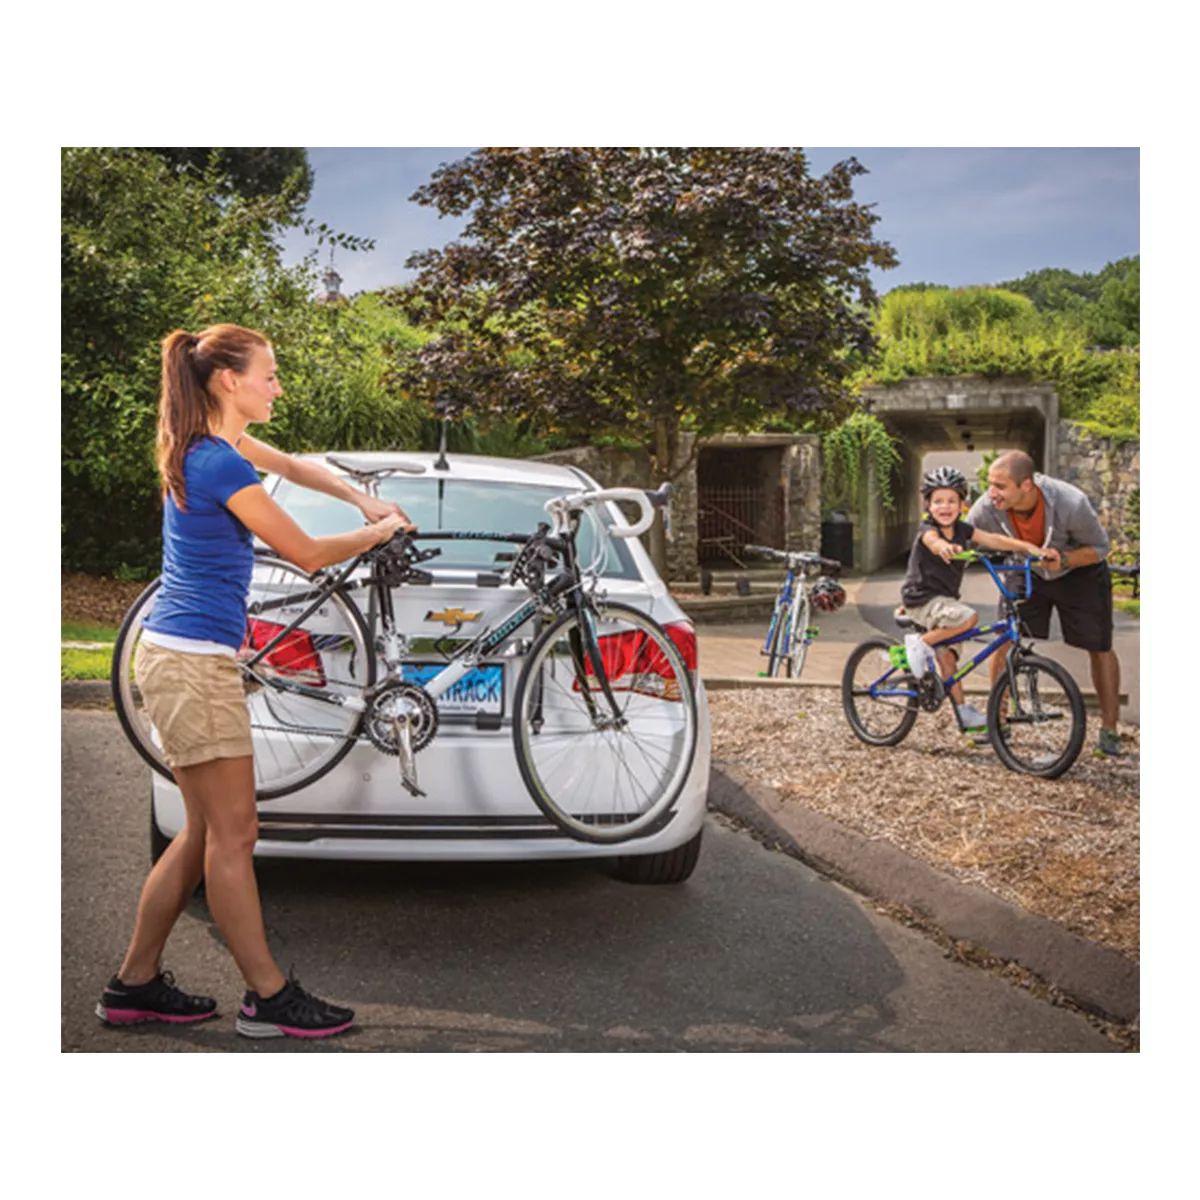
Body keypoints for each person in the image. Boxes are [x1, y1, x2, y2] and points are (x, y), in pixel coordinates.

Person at [96, 323, 413, 1039]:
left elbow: (298, 470)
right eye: (268, 374)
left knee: (206, 829)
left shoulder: (214, 444)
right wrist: (376, 534)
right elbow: (301, 552)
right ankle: (268, 998)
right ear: (228, 380)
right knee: (235, 835)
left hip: (190, 658)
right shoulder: (216, 462)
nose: (278, 386)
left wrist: (361, 499)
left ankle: (134, 985)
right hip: (190, 668)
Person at [967, 449, 1123, 757]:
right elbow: (963, 538)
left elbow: (1100, 548)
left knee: (1100, 646)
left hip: (1079, 571)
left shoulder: (1070, 502)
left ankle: (1109, 729)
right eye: (990, 484)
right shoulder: (988, 506)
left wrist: (1063, 559)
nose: (991, 493)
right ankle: (998, 720)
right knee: (1004, 639)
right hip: (1026, 568)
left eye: (1000, 486)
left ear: (1026, 486)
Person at [901, 466, 1046, 731]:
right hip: (923, 599)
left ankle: (964, 712)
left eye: (952, 501)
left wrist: (1027, 547)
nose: (945, 507)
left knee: (948, 659)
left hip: (943, 603)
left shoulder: (963, 530)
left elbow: (994, 539)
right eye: (938, 501)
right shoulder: (928, 530)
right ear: (928, 505)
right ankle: (919, 643)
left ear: (962, 505)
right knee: (969, 617)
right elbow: (933, 542)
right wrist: (944, 547)